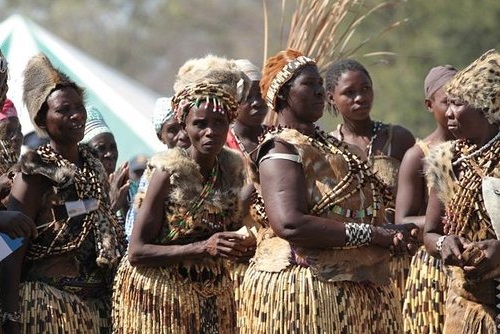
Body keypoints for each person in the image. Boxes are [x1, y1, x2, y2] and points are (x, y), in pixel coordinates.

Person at [238, 49, 418, 333]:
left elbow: (360, 209)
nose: (320, 92)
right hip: (303, 293)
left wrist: (392, 230)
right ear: (282, 95)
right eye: (309, 85)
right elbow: (290, 223)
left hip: (351, 289)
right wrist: (373, 234)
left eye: (320, 84)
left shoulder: (331, 146)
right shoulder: (279, 149)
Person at [112, 55, 254, 334]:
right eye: (200, 123)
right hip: (158, 298)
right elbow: (137, 251)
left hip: (210, 296)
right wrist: (203, 247)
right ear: (185, 125)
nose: (210, 131)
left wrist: (241, 248)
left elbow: (227, 231)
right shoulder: (167, 171)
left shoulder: (233, 168)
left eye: (219, 122)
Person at [0, 53, 126, 333]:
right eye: (64, 110)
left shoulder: (93, 165)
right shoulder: (35, 172)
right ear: (42, 119)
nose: (77, 115)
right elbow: (10, 246)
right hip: (49, 307)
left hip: (97, 306)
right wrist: (9, 316)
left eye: (79, 107)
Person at [325, 58, 416, 304]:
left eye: (365, 89)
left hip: (401, 257)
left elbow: (420, 199)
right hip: (353, 262)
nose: (360, 98)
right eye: (349, 92)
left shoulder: (398, 139)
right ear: (331, 98)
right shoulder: (328, 148)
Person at [424, 49, 500, 333]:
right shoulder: (446, 161)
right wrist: (446, 244)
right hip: (467, 307)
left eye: (460, 104)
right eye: (449, 103)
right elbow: (430, 233)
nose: (449, 113)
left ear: (487, 107)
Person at [397, 65, 457, 333]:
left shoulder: (480, 148)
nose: (454, 109)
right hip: (435, 265)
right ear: (429, 105)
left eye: (462, 100)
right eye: (447, 102)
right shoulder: (417, 155)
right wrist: (449, 224)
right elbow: (403, 219)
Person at [123, 97, 190, 240]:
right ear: (161, 137)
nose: (183, 135)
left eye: (184, 125)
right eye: (173, 130)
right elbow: (134, 236)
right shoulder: (155, 174)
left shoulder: (212, 161)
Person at [81, 106, 130, 224]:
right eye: (101, 148)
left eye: (113, 147)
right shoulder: (74, 194)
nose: (110, 154)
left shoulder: (123, 187)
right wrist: (110, 201)